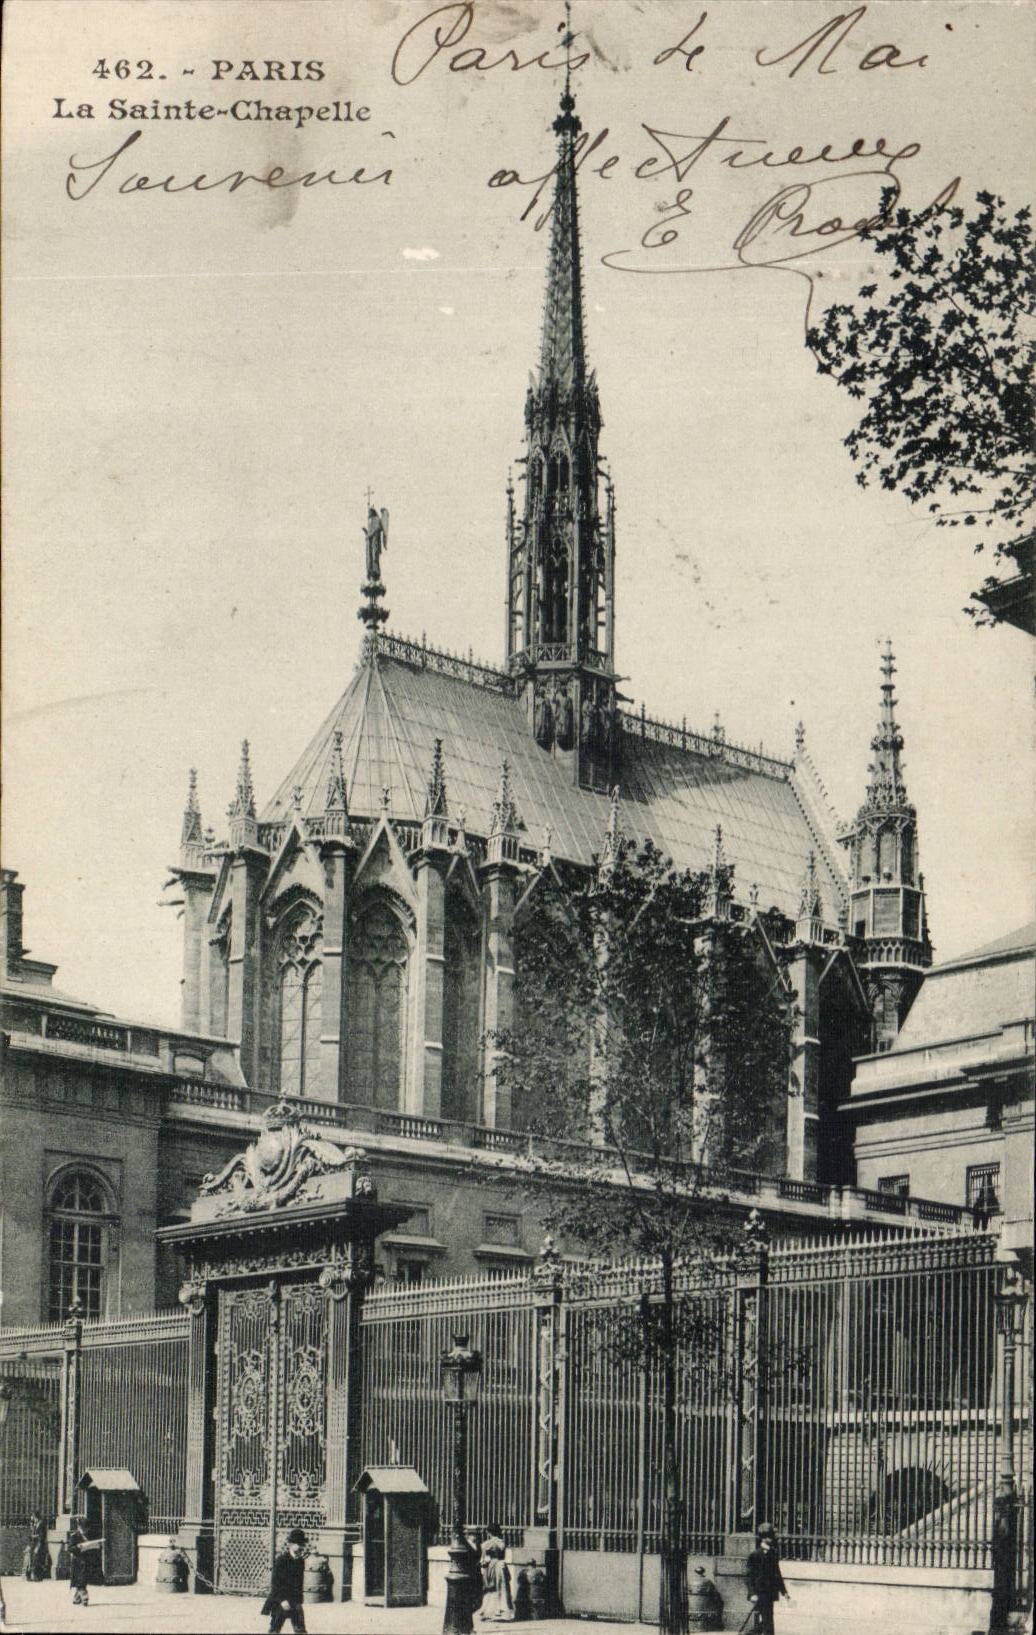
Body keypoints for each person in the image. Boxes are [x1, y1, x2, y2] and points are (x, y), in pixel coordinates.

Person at [261, 1528, 308, 1635]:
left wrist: (299, 1601)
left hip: (295, 1601)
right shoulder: (282, 1560)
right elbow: (276, 1583)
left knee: (300, 1629)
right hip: (280, 1600)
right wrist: (282, 1600)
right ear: (290, 1544)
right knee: (275, 1629)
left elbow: (299, 1584)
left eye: (302, 1544)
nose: (300, 1546)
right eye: (297, 1543)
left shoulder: (300, 1561)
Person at [745, 1523, 789, 1635]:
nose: (774, 1538)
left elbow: (777, 1574)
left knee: (765, 1620)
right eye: (771, 1536)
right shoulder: (755, 1555)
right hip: (759, 1593)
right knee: (767, 1621)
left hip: (769, 1592)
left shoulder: (773, 1553)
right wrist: (752, 1593)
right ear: (764, 1538)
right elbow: (749, 1577)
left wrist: (784, 1592)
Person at [479, 1522, 514, 1623]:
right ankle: (504, 1611)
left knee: (491, 1589)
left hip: (491, 1566)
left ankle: (490, 1612)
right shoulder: (502, 1542)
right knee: (502, 1588)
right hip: (501, 1566)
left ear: (489, 1532)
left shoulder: (486, 1544)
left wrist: (484, 1564)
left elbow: (483, 1560)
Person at [68, 1517, 101, 1607]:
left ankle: (77, 1598)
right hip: (78, 1562)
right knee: (80, 1580)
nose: (84, 1530)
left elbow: (96, 1547)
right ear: (79, 1528)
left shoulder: (90, 1536)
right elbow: (70, 1548)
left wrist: (95, 1546)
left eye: (86, 1528)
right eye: (82, 1528)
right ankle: (84, 1597)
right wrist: (79, 1547)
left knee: (84, 1580)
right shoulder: (74, 1536)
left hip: (87, 1562)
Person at [25, 1510, 49, 1580]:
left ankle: (37, 1576)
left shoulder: (41, 1523)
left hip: (39, 1544)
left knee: (37, 1560)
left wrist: (33, 1536)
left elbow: (42, 1536)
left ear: (35, 1516)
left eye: (32, 1516)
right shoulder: (36, 1524)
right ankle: (32, 1575)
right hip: (35, 1543)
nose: (31, 1518)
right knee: (33, 1559)